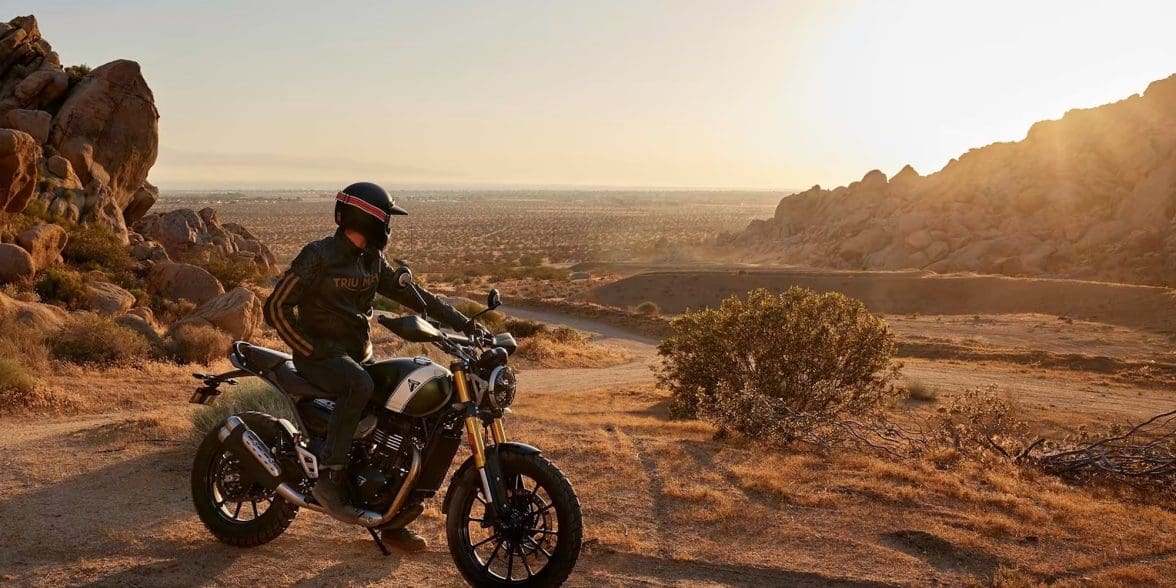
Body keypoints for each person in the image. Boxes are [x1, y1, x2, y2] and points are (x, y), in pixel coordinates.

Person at [262, 181, 476, 551]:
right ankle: (329, 479)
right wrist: (308, 348)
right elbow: (276, 306)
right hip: (320, 357)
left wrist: (469, 325)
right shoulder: (319, 255)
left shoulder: (373, 261)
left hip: (357, 355)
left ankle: (393, 514)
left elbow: (418, 297)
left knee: (411, 414)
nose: (390, 228)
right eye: (388, 219)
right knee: (358, 385)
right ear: (369, 218)